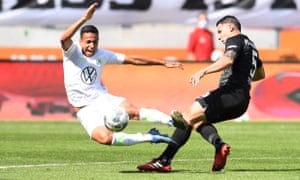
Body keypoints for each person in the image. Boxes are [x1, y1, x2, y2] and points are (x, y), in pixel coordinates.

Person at [137, 15, 265, 172]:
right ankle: (219, 146)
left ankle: (164, 161)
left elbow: (228, 60)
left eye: (220, 31)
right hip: (242, 101)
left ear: (230, 28)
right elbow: (260, 74)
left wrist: (203, 71)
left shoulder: (235, 39)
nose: (219, 37)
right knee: (196, 122)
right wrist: (242, 77)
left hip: (230, 93)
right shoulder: (251, 46)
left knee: (187, 116)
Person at [60, 2, 184, 146]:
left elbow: (133, 59)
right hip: (84, 110)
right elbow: (63, 39)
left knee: (132, 111)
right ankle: (150, 137)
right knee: (104, 138)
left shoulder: (102, 54)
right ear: (80, 41)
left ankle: (172, 121)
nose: (92, 46)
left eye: (95, 42)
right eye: (88, 42)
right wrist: (84, 18)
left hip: (101, 98)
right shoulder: (72, 52)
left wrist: (162, 63)